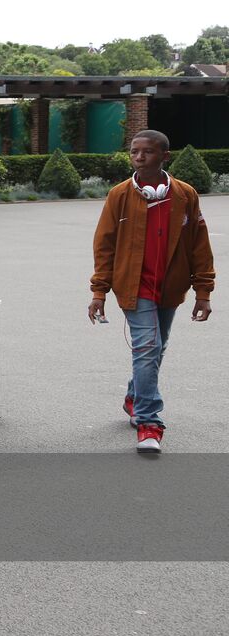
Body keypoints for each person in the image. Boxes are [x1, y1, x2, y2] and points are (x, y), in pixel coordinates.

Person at [88, 130, 215, 453]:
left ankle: (134, 396)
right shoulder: (119, 195)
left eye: (147, 152)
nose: (139, 157)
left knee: (157, 348)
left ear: (164, 156)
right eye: (134, 152)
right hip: (133, 286)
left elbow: (200, 245)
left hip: (171, 288)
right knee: (147, 348)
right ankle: (149, 422)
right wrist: (99, 291)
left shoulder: (185, 195)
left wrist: (204, 291)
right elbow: (104, 245)